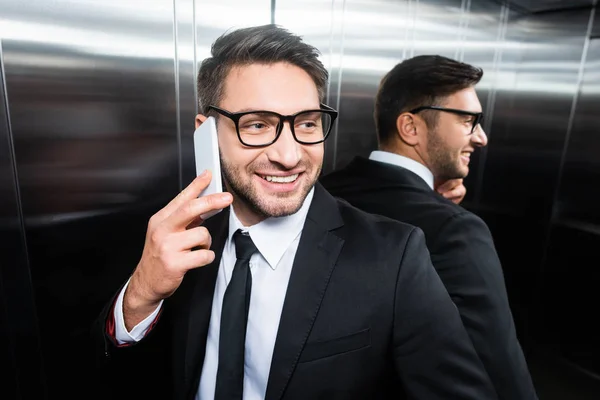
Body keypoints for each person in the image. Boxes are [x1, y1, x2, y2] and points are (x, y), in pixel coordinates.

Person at [92, 27, 498, 400]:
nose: (289, 156)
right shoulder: (176, 236)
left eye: (305, 123)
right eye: (256, 125)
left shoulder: (395, 257)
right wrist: (140, 296)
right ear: (207, 132)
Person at [321, 55, 538, 400]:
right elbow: (498, 369)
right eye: (468, 121)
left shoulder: (324, 191)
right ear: (410, 127)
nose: (481, 138)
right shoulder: (457, 232)